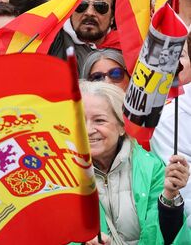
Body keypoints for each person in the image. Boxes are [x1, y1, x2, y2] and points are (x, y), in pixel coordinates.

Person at [80, 81, 191, 245]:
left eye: (99, 120)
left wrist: (169, 197)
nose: (88, 130)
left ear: (121, 126)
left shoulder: (151, 168)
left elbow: (167, 237)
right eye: (80, 121)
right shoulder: (61, 175)